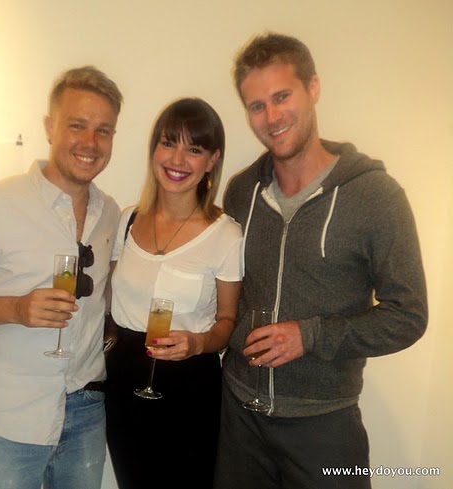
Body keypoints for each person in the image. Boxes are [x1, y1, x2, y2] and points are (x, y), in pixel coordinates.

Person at [213, 33, 428, 489]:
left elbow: (408, 316)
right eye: (256, 106)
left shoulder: (375, 196)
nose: (271, 117)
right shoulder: (242, 192)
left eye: (282, 97)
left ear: (313, 88)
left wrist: (310, 335)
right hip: (240, 418)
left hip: (324, 427)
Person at [0, 66, 124, 489]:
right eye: (77, 125)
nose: (90, 142)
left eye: (103, 131)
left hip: (87, 410)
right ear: (50, 127)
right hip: (11, 417)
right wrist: (15, 308)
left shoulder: (110, 213)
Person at [105, 97, 243, 489]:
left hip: (190, 383)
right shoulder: (128, 220)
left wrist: (198, 343)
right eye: (168, 143)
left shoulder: (225, 234)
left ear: (212, 160)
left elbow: (228, 321)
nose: (177, 159)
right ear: (154, 149)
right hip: (125, 377)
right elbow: (111, 300)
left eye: (194, 149)